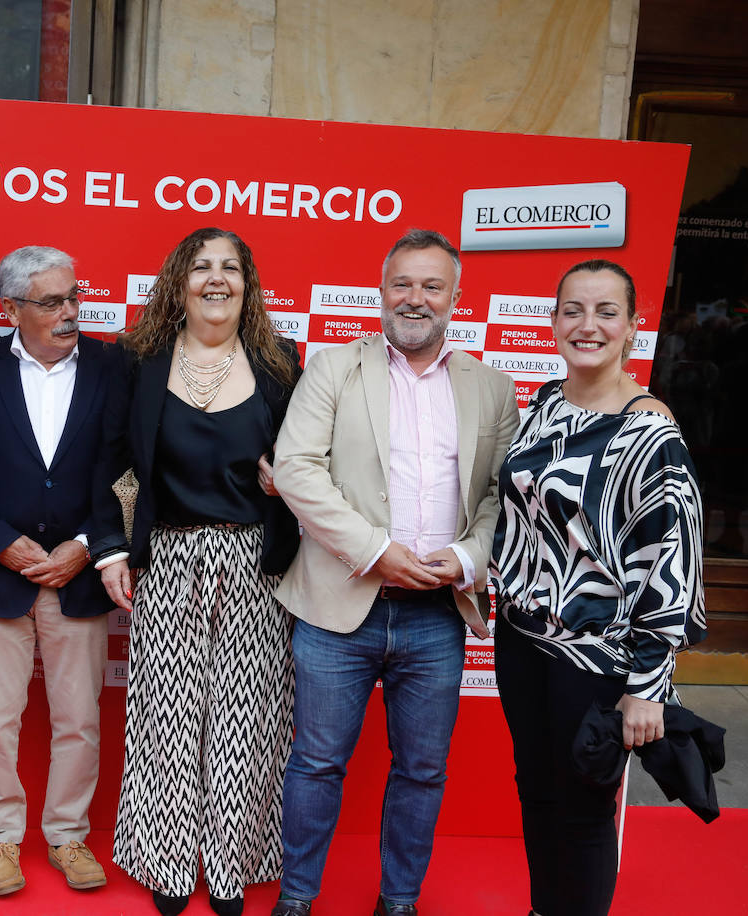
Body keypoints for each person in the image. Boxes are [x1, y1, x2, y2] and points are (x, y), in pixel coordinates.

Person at [269, 228, 518, 916]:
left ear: (456, 298)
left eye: (431, 286)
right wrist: (377, 551)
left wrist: (469, 558)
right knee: (317, 763)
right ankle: (296, 899)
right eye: (402, 284)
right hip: (339, 603)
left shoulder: (493, 389)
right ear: (381, 293)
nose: (415, 299)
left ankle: (399, 901)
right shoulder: (332, 368)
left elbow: (504, 497)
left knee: (423, 769)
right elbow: (295, 469)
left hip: (439, 614)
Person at [90, 226, 302, 916]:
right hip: (170, 559)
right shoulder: (138, 361)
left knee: (248, 722)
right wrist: (112, 550)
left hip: (255, 567)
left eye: (231, 268)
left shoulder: (282, 364)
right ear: (178, 282)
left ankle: (231, 869)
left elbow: (315, 467)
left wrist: (289, 483)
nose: (217, 279)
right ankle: (170, 864)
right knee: (166, 720)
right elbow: (105, 464)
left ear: (249, 283)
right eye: (202, 267)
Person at [489, 259, 706, 916]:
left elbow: (674, 564)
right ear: (553, 322)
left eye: (606, 311)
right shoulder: (545, 402)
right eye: (573, 310)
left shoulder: (649, 431)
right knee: (536, 792)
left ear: (633, 328)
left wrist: (647, 690)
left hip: (599, 659)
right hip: (522, 639)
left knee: (583, 810)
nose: (588, 325)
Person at [0, 246, 118, 897]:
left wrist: (87, 542)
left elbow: (122, 466)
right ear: (11, 309)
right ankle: (1, 841)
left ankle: (67, 835)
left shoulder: (112, 364)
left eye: (73, 296)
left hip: (79, 574)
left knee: (78, 718)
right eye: (51, 302)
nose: (69, 312)